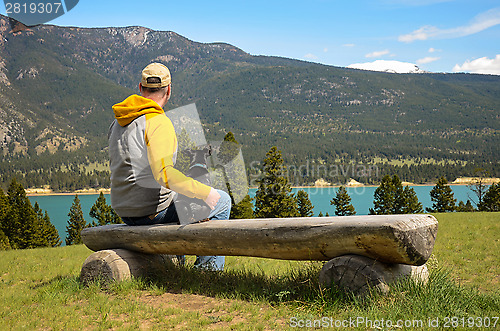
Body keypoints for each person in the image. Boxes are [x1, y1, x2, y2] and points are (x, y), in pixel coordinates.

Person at [108, 62, 231, 271]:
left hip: (125, 210)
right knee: (223, 200)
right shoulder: (157, 121)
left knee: (181, 199)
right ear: (169, 90)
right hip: (150, 211)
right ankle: (207, 271)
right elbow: (163, 174)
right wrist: (206, 192)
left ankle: (176, 263)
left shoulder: (119, 122)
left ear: (140, 88)